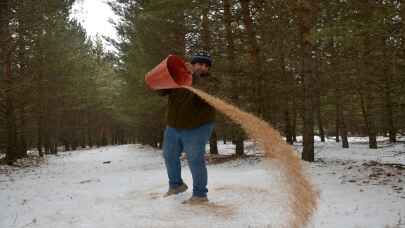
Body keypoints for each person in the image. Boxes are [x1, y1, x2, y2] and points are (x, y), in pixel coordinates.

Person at [159, 51, 217, 204]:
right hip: (174, 125)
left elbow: (204, 94)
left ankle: (200, 195)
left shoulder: (211, 82)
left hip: (198, 127)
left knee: (195, 159)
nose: (203, 67)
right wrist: (166, 75)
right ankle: (176, 185)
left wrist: (193, 76)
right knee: (169, 155)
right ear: (192, 64)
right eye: (199, 64)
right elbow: (161, 91)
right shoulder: (179, 78)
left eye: (206, 65)